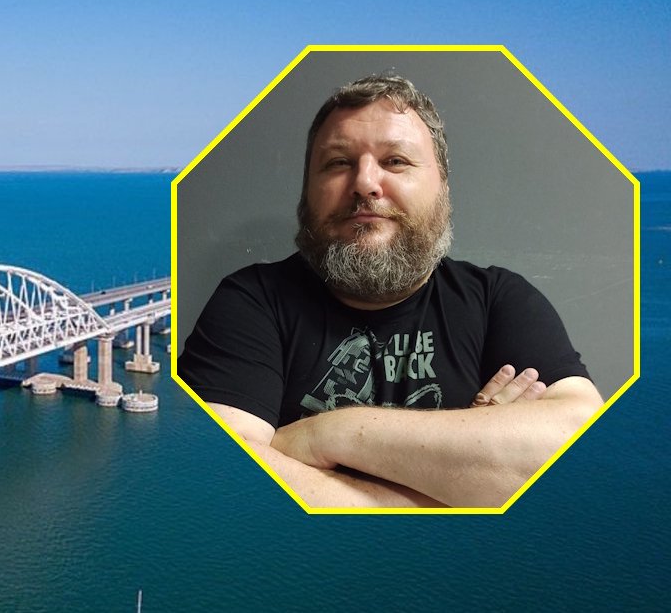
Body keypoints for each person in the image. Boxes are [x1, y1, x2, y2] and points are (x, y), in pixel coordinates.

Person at [177, 73, 603, 508]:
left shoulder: (500, 300)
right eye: (338, 163)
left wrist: (328, 434)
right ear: (307, 191)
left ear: (442, 187)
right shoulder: (251, 301)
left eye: (396, 161)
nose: (364, 182)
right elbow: (223, 486)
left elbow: (582, 457)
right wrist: (462, 480)